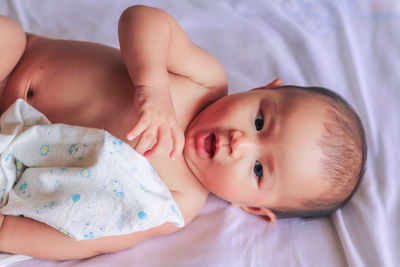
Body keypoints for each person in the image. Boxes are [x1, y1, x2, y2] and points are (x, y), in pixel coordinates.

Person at [0, 5, 367, 260]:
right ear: (263, 90)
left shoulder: (177, 203)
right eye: (259, 121)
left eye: (258, 169)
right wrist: (152, 87)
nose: (240, 142)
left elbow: (94, 238)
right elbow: (142, 19)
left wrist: (9, 233)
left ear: (253, 207)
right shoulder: (205, 80)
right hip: (17, 61)